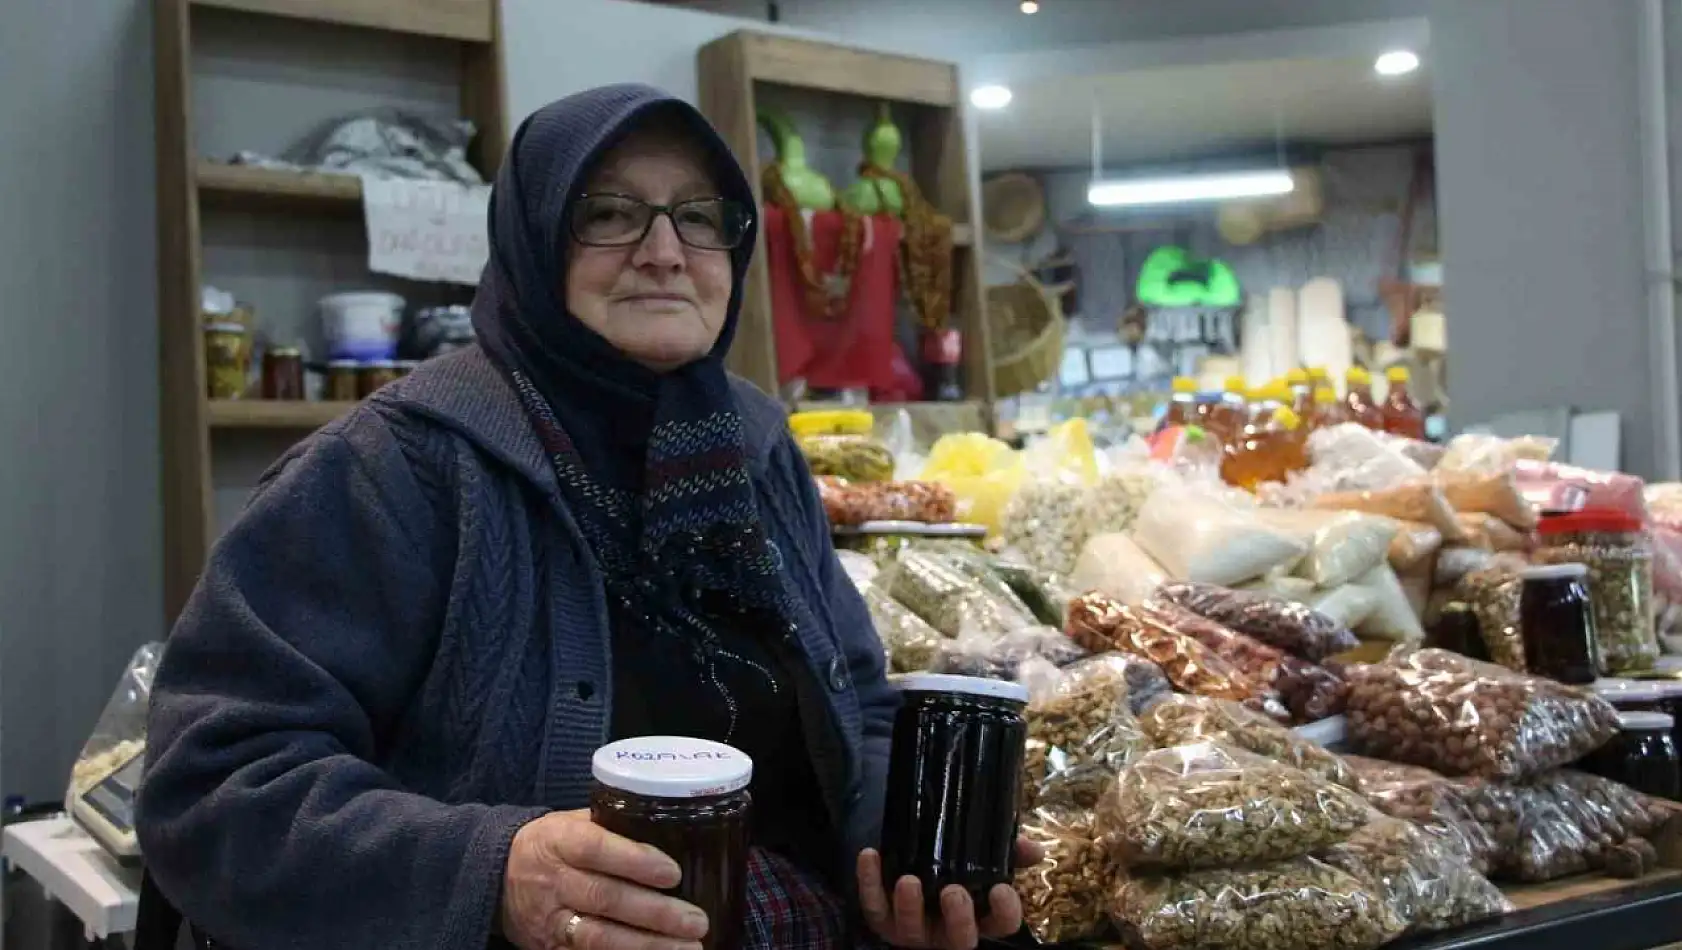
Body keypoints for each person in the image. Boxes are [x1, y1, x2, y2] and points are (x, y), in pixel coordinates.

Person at [136, 84, 1034, 950]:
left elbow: (864, 707)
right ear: (532, 241)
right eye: (608, 214)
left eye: (701, 216)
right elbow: (212, 784)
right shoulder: (394, 469)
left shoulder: (758, 452)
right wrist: (494, 874)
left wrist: (905, 851)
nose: (664, 251)